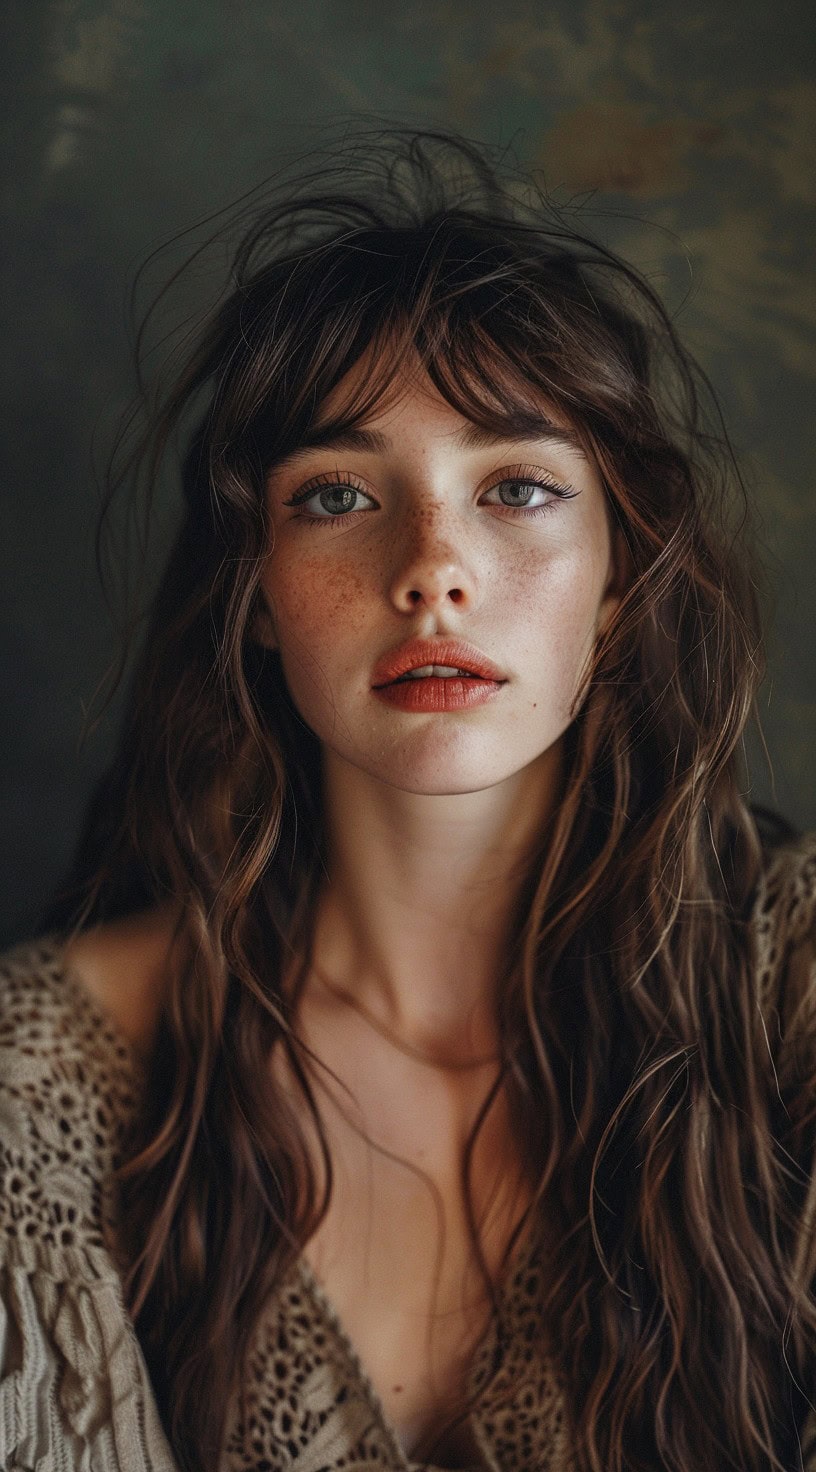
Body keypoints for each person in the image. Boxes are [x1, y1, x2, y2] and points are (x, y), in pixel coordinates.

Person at [1, 128, 814, 1472]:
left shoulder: (788, 991)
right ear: (257, 591)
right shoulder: (43, 1081)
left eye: (519, 488)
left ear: (620, 583)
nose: (434, 568)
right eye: (337, 494)